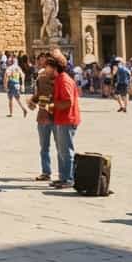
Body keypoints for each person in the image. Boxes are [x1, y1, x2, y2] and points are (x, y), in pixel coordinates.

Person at [49, 54, 81, 189]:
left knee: (66, 151)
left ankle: (68, 178)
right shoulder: (58, 80)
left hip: (67, 119)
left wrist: (53, 105)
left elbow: (68, 102)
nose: (45, 70)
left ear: (54, 67)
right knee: (61, 150)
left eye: (47, 67)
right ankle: (63, 177)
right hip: (61, 119)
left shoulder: (64, 80)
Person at [29, 61, 57, 182]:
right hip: (43, 117)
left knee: (60, 148)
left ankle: (65, 174)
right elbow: (38, 94)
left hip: (55, 117)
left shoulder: (59, 80)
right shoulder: (40, 79)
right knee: (45, 147)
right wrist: (32, 101)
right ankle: (47, 172)